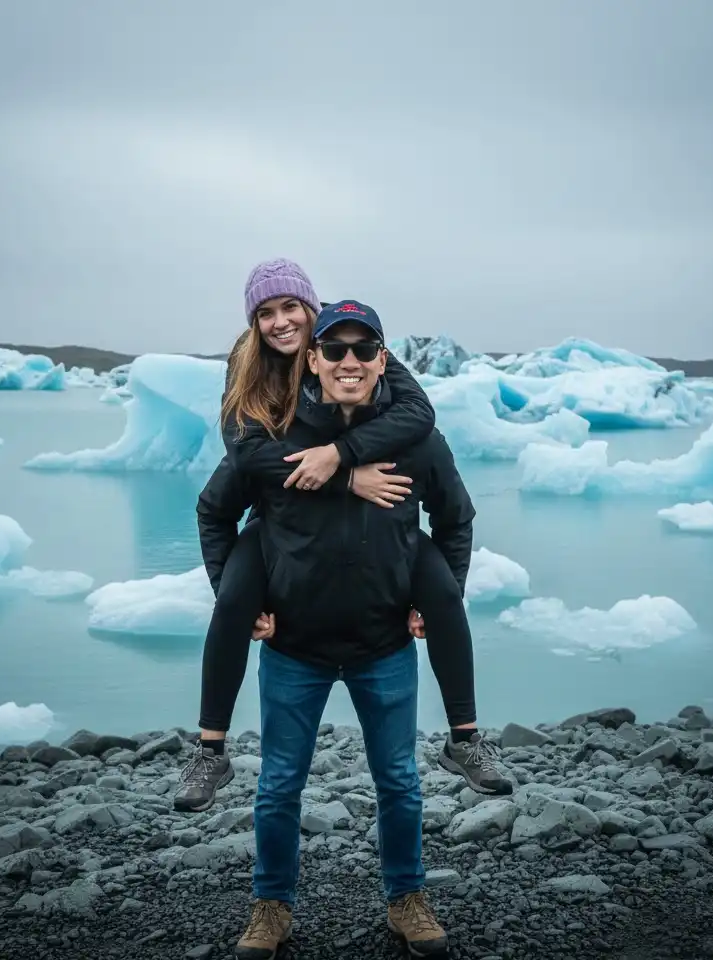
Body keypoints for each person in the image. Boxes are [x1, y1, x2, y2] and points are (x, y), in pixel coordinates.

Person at [174, 259, 510, 815]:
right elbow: (247, 455)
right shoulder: (249, 367)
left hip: (364, 522)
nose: (281, 322)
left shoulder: (348, 343)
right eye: (266, 313)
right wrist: (346, 476)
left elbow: (417, 416)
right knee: (234, 599)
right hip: (281, 512)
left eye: (290, 308)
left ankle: (466, 739)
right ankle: (211, 748)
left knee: (445, 593)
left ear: (312, 309)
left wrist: (341, 453)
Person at [198, 300, 468, 958]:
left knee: (399, 781)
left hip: (383, 644)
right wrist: (237, 597)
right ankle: (272, 907)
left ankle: (407, 899)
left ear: (382, 359)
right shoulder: (274, 434)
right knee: (280, 785)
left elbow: (455, 519)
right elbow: (215, 510)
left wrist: (436, 601)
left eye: (362, 350)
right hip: (295, 646)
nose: (349, 361)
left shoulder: (414, 437)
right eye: (335, 350)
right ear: (311, 360)